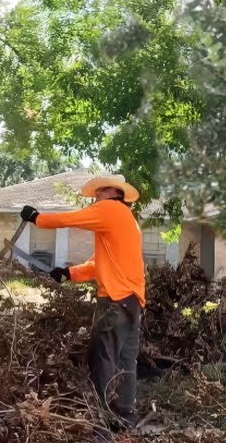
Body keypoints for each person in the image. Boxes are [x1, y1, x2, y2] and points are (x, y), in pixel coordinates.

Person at [21, 175, 146, 430]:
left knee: (103, 359)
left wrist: (37, 218)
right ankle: (125, 415)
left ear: (112, 192)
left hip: (113, 301)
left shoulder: (109, 209)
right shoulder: (126, 220)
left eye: (99, 192)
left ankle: (102, 417)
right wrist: (69, 274)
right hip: (132, 303)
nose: (95, 196)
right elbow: (98, 263)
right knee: (126, 360)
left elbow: (70, 219)